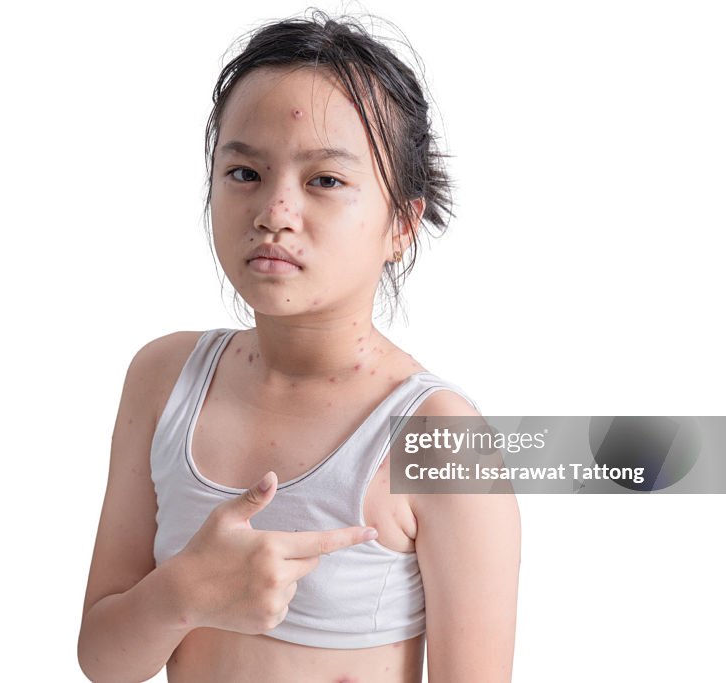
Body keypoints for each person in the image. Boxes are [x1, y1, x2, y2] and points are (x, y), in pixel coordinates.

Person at [78, 9, 520, 682]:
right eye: (244, 173)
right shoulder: (162, 377)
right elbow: (103, 660)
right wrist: (184, 592)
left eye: (325, 180)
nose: (274, 211)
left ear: (401, 223)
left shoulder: (439, 438)